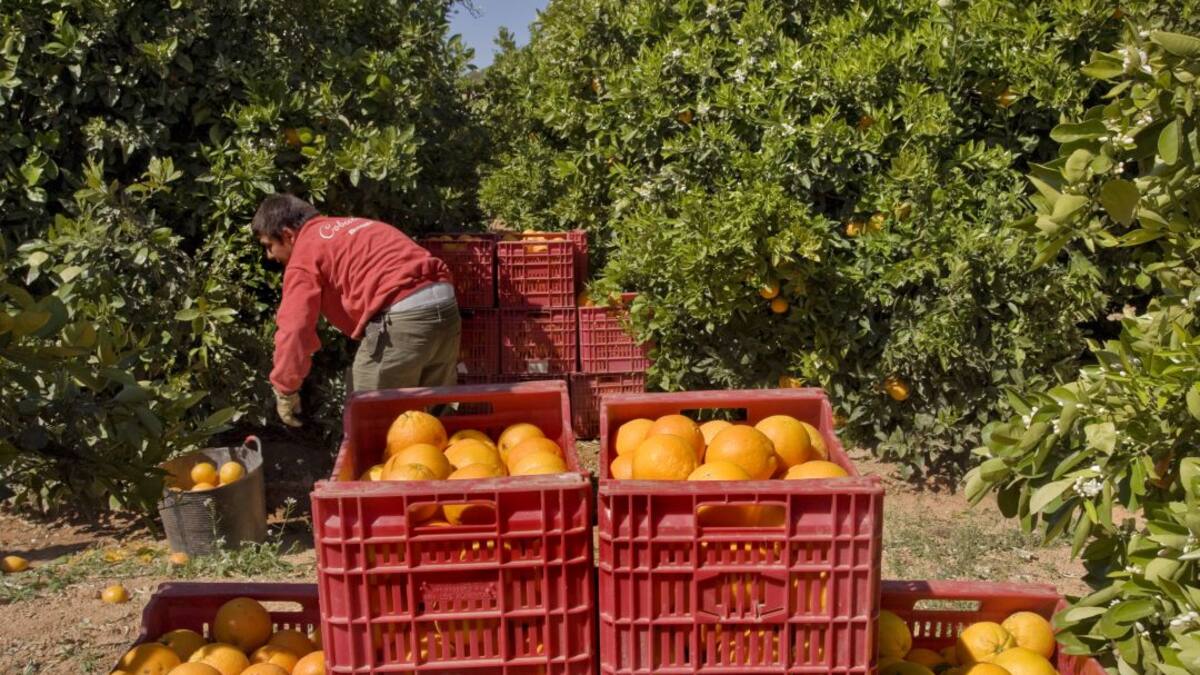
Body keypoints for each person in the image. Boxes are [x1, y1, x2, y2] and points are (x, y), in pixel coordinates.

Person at [251, 194, 461, 427]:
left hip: (402, 318)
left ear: (288, 235)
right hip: (446, 309)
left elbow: (295, 329)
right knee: (433, 424)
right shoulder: (354, 226)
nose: (270, 255)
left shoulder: (305, 252)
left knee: (370, 423)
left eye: (269, 246)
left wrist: (285, 388)